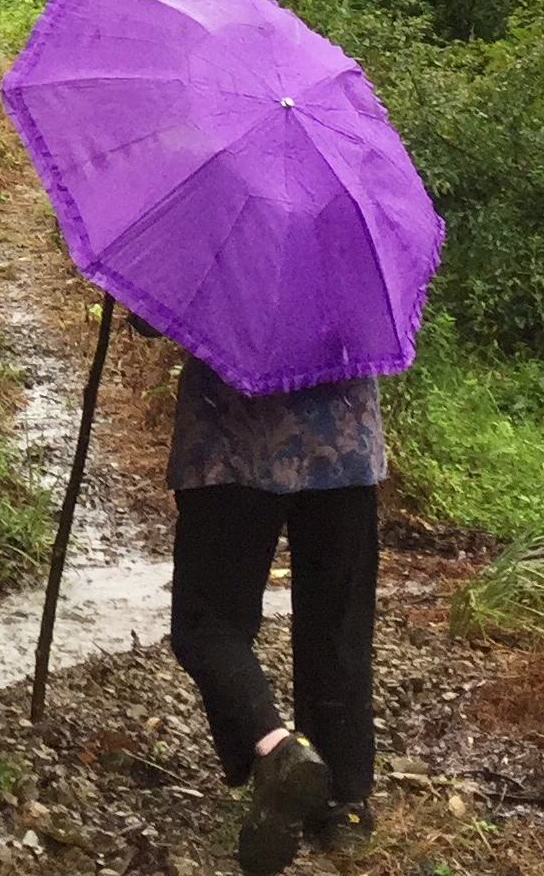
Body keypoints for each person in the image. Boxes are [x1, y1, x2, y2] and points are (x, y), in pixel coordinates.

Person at [165, 349, 381, 870]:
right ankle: (342, 803)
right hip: (344, 445)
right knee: (338, 626)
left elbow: (157, 313)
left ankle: (277, 748)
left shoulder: (214, 260)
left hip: (231, 448)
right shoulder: (354, 262)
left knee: (206, 621)